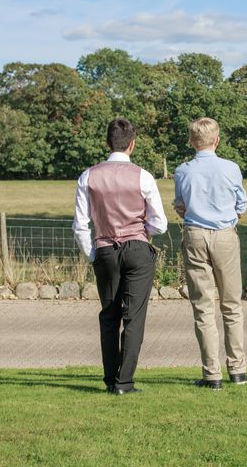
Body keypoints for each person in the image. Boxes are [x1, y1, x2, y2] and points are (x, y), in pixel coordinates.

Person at [72, 118, 167, 395]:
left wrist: (92, 253)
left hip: (104, 248)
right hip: (137, 248)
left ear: (107, 142)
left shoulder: (88, 176)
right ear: (132, 144)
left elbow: (80, 224)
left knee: (109, 315)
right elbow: (160, 223)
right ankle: (125, 383)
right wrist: (141, 233)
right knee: (134, 317)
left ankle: (110, 378)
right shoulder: (144, 176)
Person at [174, 117, 247, 390]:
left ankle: (212, 373)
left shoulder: (182, 171)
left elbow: (180, 206)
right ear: (216, 140)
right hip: (225, 236)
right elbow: (242, 204)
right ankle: (238, 369)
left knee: (203, 307)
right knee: (231, 305)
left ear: (192, 141)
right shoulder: (231, 168)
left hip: (195, 235)